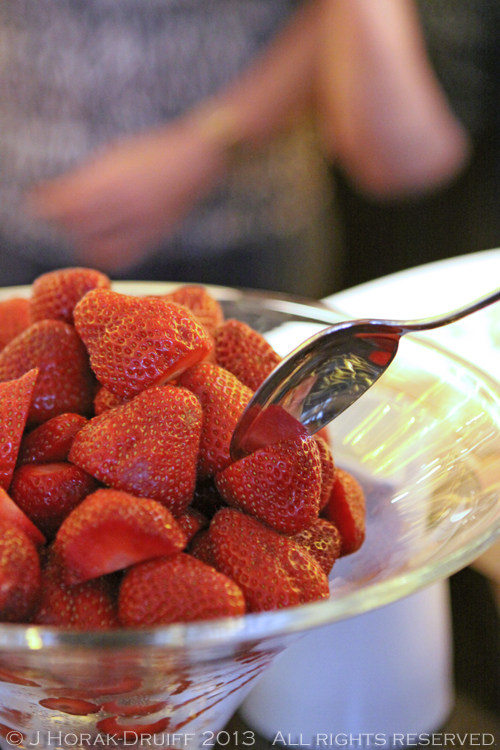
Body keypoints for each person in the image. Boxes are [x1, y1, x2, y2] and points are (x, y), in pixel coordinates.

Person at [0, 0, 468, 295]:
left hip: (245, 225)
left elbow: (334, 15)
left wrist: (207, 144)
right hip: (23, 215)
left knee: (250, 438)